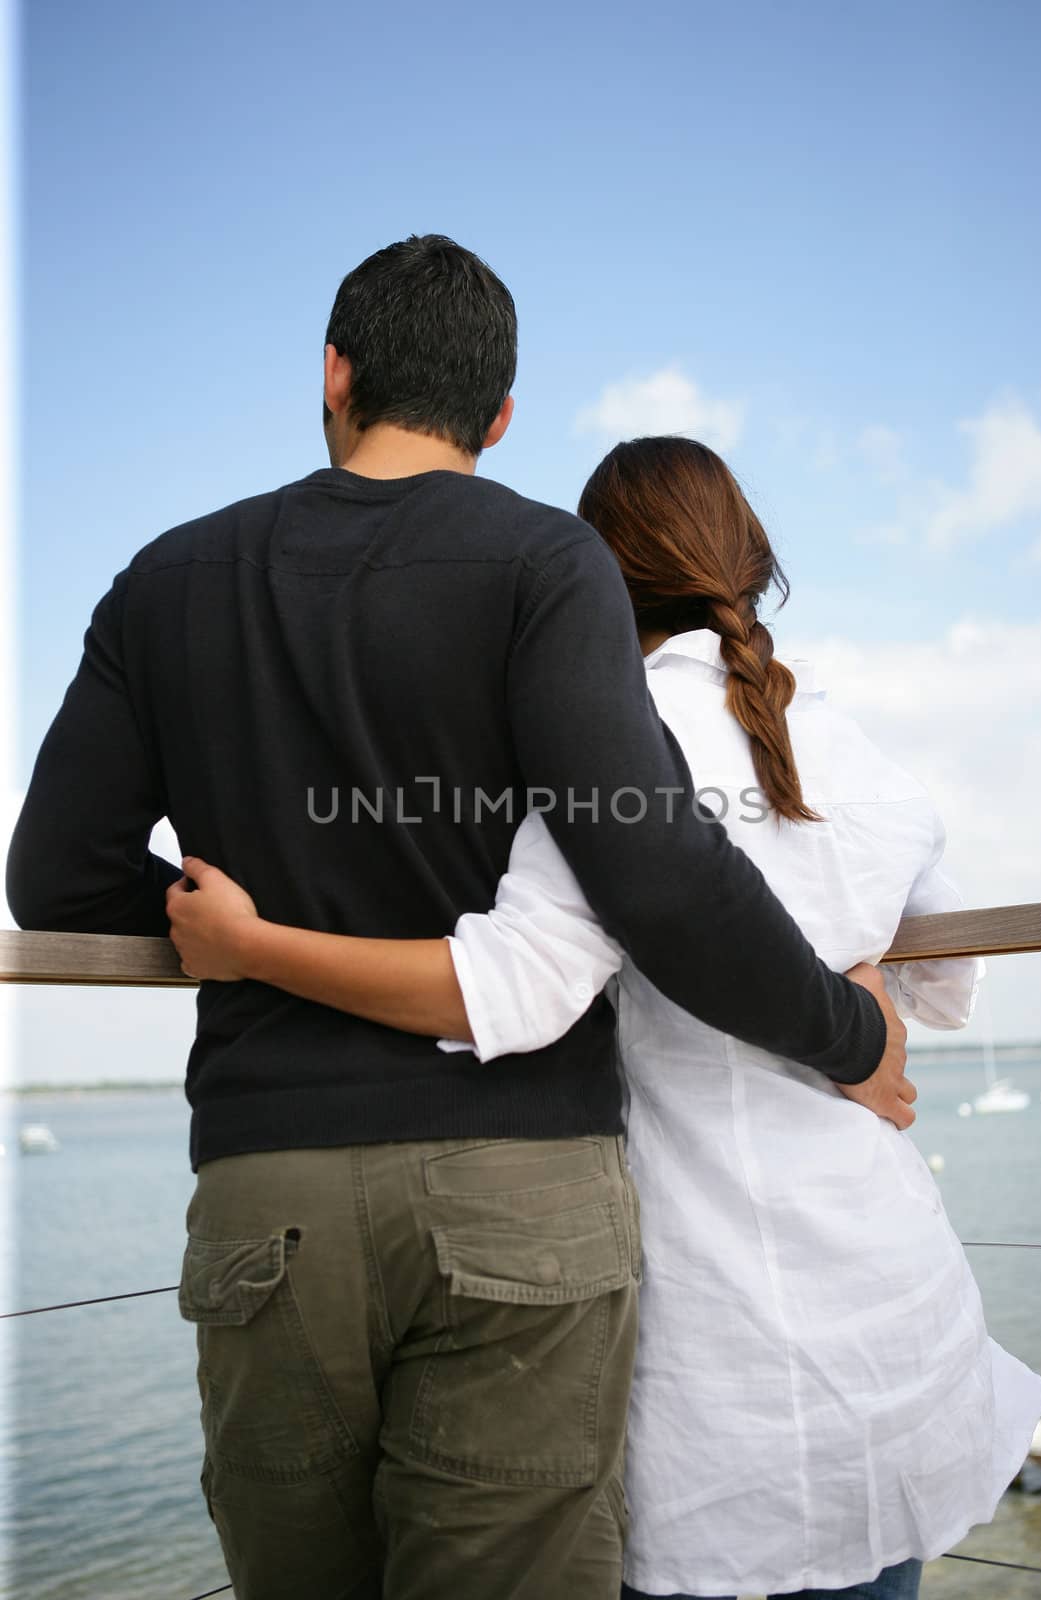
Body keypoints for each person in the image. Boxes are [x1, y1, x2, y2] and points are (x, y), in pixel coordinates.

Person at [7, 239, 911, 1600]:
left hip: (271, 1186)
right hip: (520, 1180)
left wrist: (210, 917)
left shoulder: (165, 579)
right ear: (497, 417)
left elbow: (56, 878)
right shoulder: (548, 564)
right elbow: (655, 873)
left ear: (333, 373)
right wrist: (847, 1032)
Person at [167, 436, 1041, 1600]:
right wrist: (850, 989)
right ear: (749, 563)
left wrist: (252, 947)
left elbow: (517, 985)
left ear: (592, 577)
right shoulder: (849, 745)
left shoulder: (605, 739)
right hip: (889, 1318)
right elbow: (941, 987)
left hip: (711, 1359)